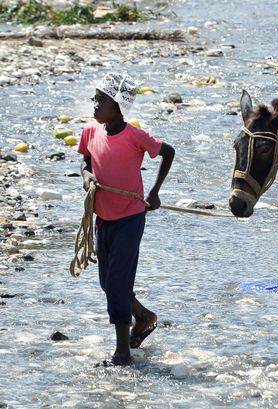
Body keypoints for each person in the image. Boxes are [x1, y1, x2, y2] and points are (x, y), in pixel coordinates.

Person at [78, 72, 175, 366]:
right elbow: (85, 160)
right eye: (95, 99)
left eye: (101, 100)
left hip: (130, 219)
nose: (95, 105)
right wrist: (87, 176)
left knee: (118, 284)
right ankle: (144, 317)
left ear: (118, 106)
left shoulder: (134, 136)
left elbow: (167, 152)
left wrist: (155, 193)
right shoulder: (91, 131)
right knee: (108, 283)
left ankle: (122, 353)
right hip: (103, 217)